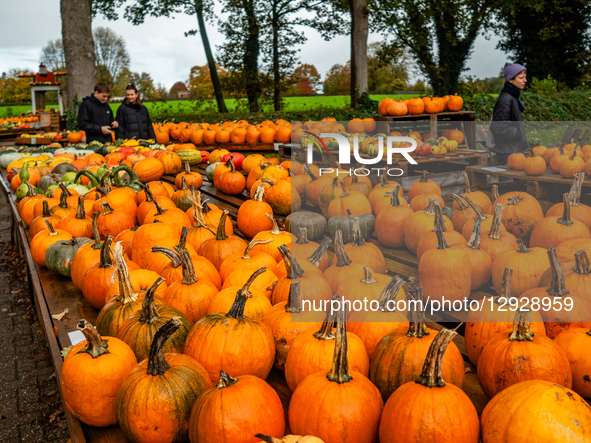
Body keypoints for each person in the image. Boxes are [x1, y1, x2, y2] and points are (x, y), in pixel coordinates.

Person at [489, 63, 529, 166]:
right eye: (521, 78)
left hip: (513, 151)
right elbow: (499, 128)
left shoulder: (513, 97)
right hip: (508, 153)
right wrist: (518, 133)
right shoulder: (506, 99)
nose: (525, 80)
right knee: (508, 182)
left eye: (525, 77)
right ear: (511, 80)